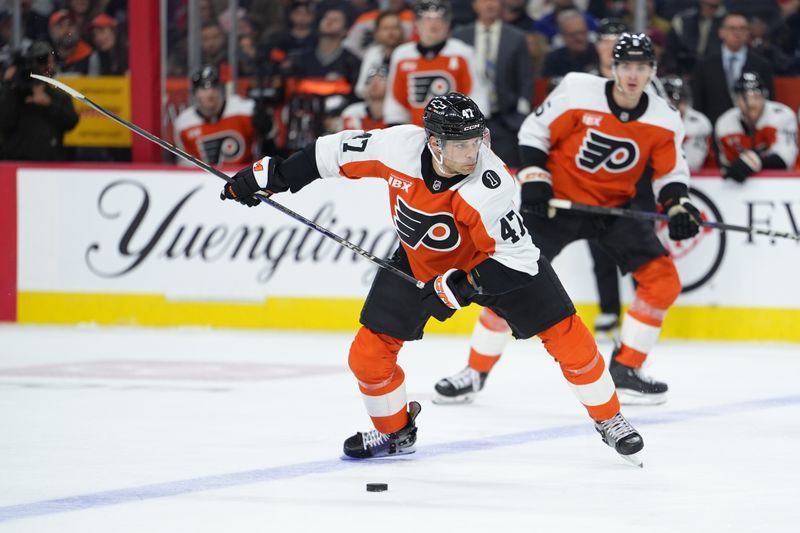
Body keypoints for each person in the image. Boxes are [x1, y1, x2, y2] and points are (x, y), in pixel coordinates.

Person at [220, 92, 645, 466]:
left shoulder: (489, 185)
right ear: (433, 142)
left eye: (477, 140)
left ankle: (609, 418)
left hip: (499, 263)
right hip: (419, 262)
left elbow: (516, 260)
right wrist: (269, 176)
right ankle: (395, 431)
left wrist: (459, 288)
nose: (472, 152)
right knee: (367, 357)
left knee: (569, 338)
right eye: (460, 144)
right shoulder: (395, 146)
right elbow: (327, 154)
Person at [434, 33, 699, 406]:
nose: (633, 74)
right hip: (557, 205)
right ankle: (474, 372)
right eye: (626, 66)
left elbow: (671, 172)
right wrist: (536, 179)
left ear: (652, 70)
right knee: (508, 280)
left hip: (612, 210)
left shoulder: (664, 118)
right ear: (613, 67)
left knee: (663, 280)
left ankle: (626, 369)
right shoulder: (578, 90)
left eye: (642, 67)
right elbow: (534, 132)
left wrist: (678, 205)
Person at [452, 0, 534, 167]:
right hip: (468, 120)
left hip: (505, 120)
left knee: (507, 171)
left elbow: (526, 79)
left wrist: (520, 115)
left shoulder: (516, 37)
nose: (489, 4)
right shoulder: (459, 36)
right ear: (474, 5)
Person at [384, 0, 489, 126]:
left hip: (454, 132)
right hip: (414, 132)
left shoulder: (463, 53)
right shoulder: (402, 55)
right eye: (427, 19)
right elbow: (396, 101)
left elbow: (476, 94)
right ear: (417, 24)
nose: (434, 24)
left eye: (440, 19)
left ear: (448, 24)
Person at [691, 11, 774, 126]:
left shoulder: (762, 65)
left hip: (752, 133)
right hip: (713, 132)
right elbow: (698, 104)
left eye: (742, 28)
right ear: (721, 32)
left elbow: (769, 103)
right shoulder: (704, 65)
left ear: (748, 33)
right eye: (732, 28)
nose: (737, 33)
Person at [0, 40, 79, 160]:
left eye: (47, 61)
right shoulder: (13, 93)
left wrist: (49, 104)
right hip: (15, 164)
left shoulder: (57, 96)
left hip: (48, 165)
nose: (44, 66)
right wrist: (8, 85)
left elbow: (71, 122)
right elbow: (4, 122)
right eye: (39, 61)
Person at [715, 71, 798, 182]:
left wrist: (753, 160)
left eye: (756, 96)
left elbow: (785, 159)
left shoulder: (782, 115)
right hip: (741, 188)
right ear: (735, 99)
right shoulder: (724, 123)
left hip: (784, 183)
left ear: (764, 97)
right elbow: (729, 167)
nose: (751, 103)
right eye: (744, 98)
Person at [173, 65, 257, 166]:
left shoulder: (245, 110)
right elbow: (185, 166)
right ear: (194, 94)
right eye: (203, 88)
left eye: (214, 86)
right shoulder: (184, 124)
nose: (210, 93)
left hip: (245, 176)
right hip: (205, 180)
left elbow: (268, 143)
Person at [661, 75, 712, 171]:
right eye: (670, 103)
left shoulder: (699, 122)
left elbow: (693, 163)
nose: (674, 107)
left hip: (697, 180)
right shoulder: (650, 121)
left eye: (678, 101)